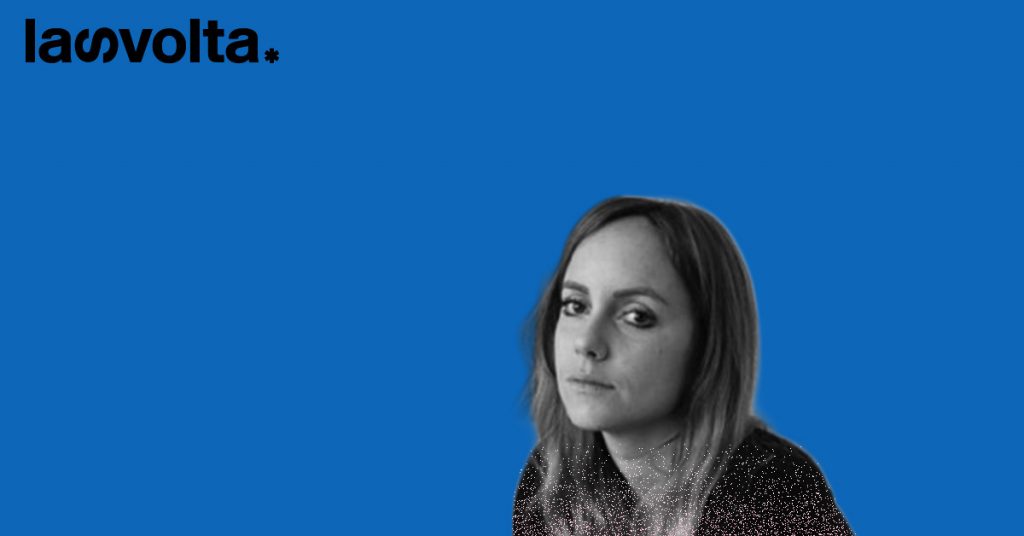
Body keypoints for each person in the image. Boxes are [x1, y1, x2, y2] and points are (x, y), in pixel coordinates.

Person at [514, 196, 852, 535]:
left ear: (707, 343)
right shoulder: (550, 478)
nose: (586, 343)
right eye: (575, 305)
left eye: (637, 316)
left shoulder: (774, 491)